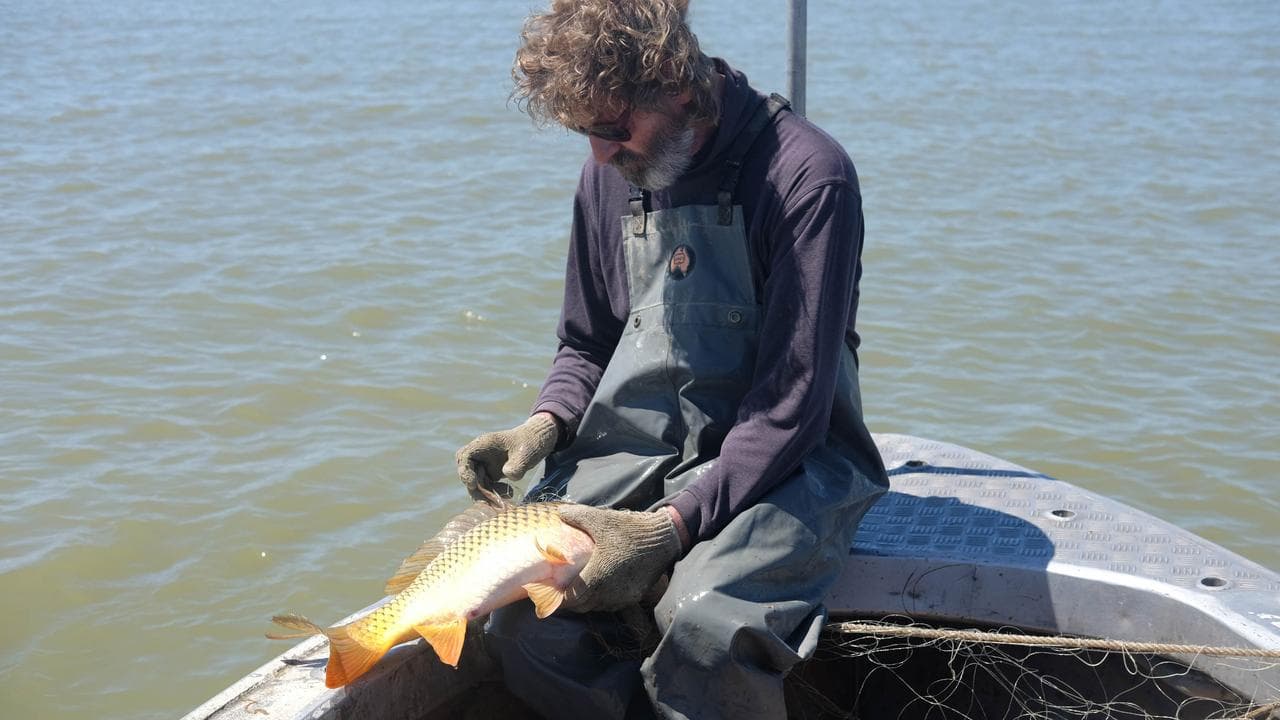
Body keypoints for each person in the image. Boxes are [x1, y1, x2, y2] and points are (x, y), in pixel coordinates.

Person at [455, 1, 889, 717]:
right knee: (525, 619)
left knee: (704, 626)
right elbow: (587, 343)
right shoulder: (606, 175)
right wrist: (542, 425)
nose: (600, 154)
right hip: (639, 447)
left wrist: (665, 531)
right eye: (584, 133)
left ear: (679, 89)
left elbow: (791, 407)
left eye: (611, 129)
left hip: (790, 459)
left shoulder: (810, 177)